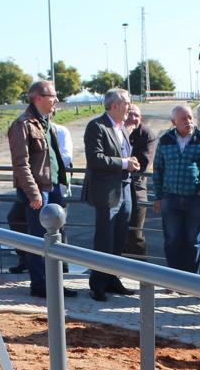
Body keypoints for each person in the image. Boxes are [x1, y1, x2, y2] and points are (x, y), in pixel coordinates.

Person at [7, 80, 75, 298]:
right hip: (39, 191)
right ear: (38, 98)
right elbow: (21, 164)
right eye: (52, 96)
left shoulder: (46, 122)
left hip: (53, 188)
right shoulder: (22, 124)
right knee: (38, 239)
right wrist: (33, 193)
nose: (55, 100)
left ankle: (55, 283)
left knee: (56, 238)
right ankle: (40, 285)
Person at [84, 88, 139, 300]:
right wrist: (125, 163)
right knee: (104, 239)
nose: (130, 107)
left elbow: (123, 155)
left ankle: (112, 279)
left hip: (124, 189)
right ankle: (97, 283)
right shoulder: (96, 126)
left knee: (119, 238)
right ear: (115, 105)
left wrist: (131, 163)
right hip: (107, 192)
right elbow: (95, 158)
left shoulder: (122, 128)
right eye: (127, 103)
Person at [152, 104, 200, 275]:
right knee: (172, 239)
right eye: (183, 118)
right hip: (170, 199)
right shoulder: (165, 140)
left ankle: (191, 280)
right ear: (174, 122)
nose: (188, 121)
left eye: (190, 117)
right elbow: (158, 169)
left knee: (193, 240)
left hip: (195, 199)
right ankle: (173, 279)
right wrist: (158, 197)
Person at [123, 104, 158, 259]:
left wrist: (123, 160)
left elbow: (142, 164)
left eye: (136, 115)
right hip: (117, 190)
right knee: (119, 234)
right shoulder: (116, 131)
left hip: (137, 191)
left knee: (135, 234)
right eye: (130, 114)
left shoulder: (147, 134)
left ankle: (143, 275)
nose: (133, 118)